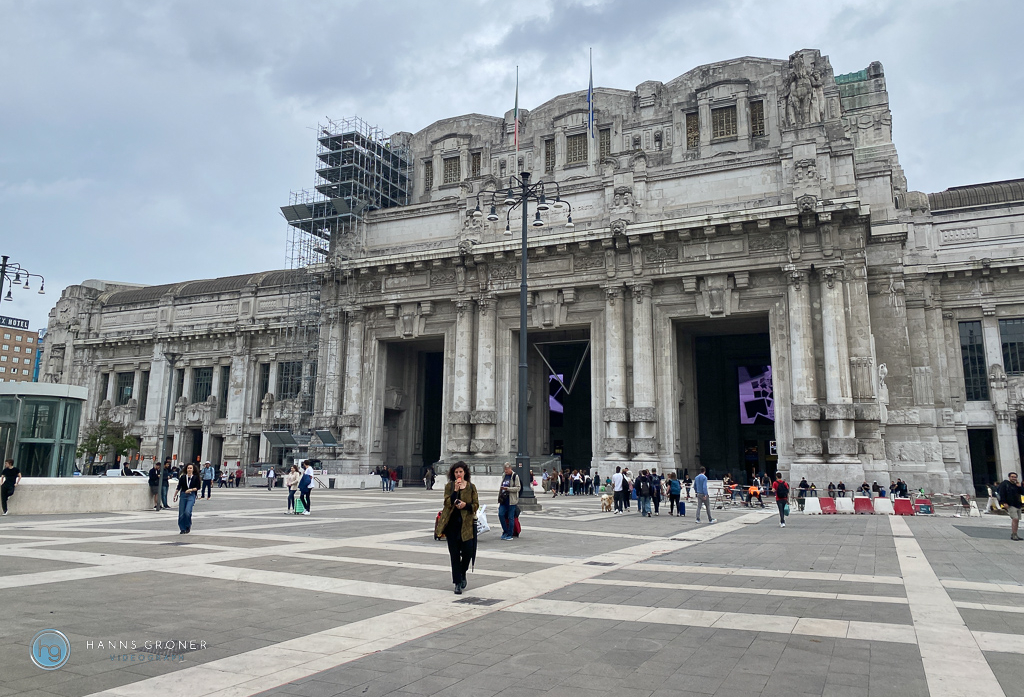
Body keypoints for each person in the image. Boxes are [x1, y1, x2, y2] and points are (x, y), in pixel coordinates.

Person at [435, 461, 479, 594]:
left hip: (466, 525)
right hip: (452, 525)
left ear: (465, 472)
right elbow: (447, 502)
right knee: (454, 555)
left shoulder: (471, 487)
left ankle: (462, 572)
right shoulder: (449, 486)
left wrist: (465, 505)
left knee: (468, 553)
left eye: (460, 471)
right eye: (456, 472)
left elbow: (476, 505)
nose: (458, 474)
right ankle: (457, 583)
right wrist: (455, 491)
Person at [174, 464, 200, 534]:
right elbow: (179, 487)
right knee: (181, 513)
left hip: (191, 495)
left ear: (193, 469)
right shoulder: (182, 477)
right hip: (183, 495)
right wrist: (175, 495)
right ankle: (182, 528)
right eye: (188, 468)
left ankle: (188, 525)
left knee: (187, 512)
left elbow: (198, 487)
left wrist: (191, 490)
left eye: (191, 468)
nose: (189, 469)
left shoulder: (195, 478)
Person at [497, 462, 521, 541]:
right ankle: (505, 531)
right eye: (505, 469)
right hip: (503, 500)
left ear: (510, 468)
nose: (506, 471)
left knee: (511, 517)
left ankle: (510, 534)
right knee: (501, 514)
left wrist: (508, 489)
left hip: (511, 500)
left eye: (507, 469)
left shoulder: (515, 476)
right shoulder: (504, 475)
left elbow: (518, 488)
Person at [997, 472, 1022, 541]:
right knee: (1015, 519)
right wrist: (1004, 502)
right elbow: (1002, 493)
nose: (1014, 478)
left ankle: (1015, 533)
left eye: (1015, 477)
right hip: (1010, 504)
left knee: (1017, 520)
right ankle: (1014, 535)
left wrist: (1020, 487)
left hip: (1017, 504)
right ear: (1009, 477)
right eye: (1012, 477)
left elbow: (1022, 493)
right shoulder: (1005, 484)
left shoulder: (1016, 485)